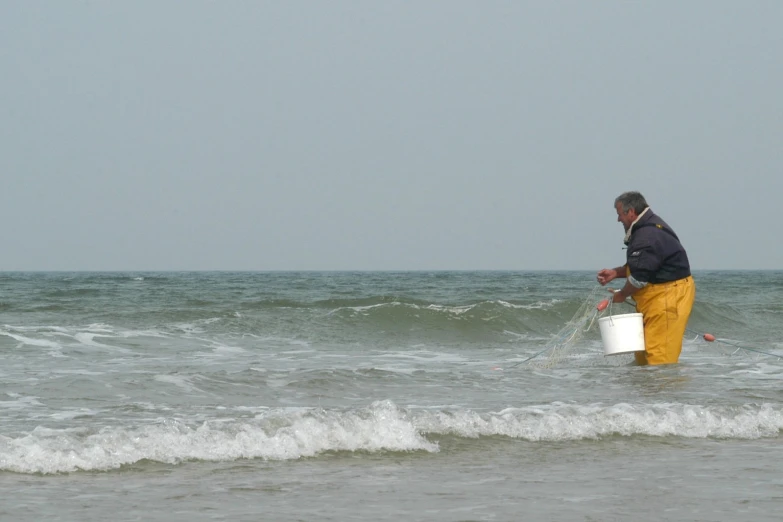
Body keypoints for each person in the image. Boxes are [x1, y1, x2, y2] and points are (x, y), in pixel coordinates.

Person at [596, 191, 696, 365]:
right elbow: (646, 264)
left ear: (631, 212)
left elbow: (639, 278)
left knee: (659, 358)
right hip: (657, 297)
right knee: (642, 357)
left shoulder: (646, 236)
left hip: (668, 298)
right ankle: (646, 392)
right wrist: (616, 273)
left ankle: (664, 391)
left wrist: (622, 295)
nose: (618, 220)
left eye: (619, 214)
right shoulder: (648, 227)